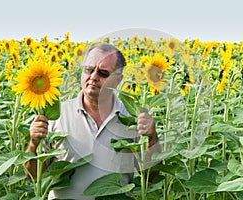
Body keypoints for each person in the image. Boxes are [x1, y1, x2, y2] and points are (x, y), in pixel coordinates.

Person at [25, 43, 161, 199]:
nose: (93, 77)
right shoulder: (57, 116)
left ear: (118, 80)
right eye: (89, 70)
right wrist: (33, 144)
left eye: (103, 73)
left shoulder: (131, 119)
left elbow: (151, 177)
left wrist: (152, 138)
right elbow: (34, 177)